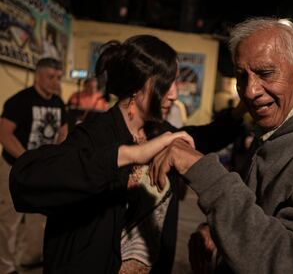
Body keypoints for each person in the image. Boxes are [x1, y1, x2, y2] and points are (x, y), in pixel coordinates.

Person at [9, 35, 245, 274]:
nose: (174, 94)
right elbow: (26, 178)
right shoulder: (95, 133)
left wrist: (242, 107)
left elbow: (205, 136)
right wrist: (130, 154)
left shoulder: (159, 131)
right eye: (167, 84)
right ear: (138, 85)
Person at [150, 17, 293, 273]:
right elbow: (260, 215)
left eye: (265, 73)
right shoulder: (276, 132)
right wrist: (218, 231)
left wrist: (206, 174)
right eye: (242, 76)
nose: (250, 91)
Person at [0, 57, 68, 273]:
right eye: (50, 77)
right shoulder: (19, 101)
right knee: (9, 220)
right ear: (38, 75)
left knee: (38, 219)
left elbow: (63, 131)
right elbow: (4, 133)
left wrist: (55, 156)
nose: (55, 81)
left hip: (41, 171)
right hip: (13, 167)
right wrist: (26, 159)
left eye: (58, 77)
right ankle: (6, 266)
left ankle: (31, 257)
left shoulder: (58, 102)